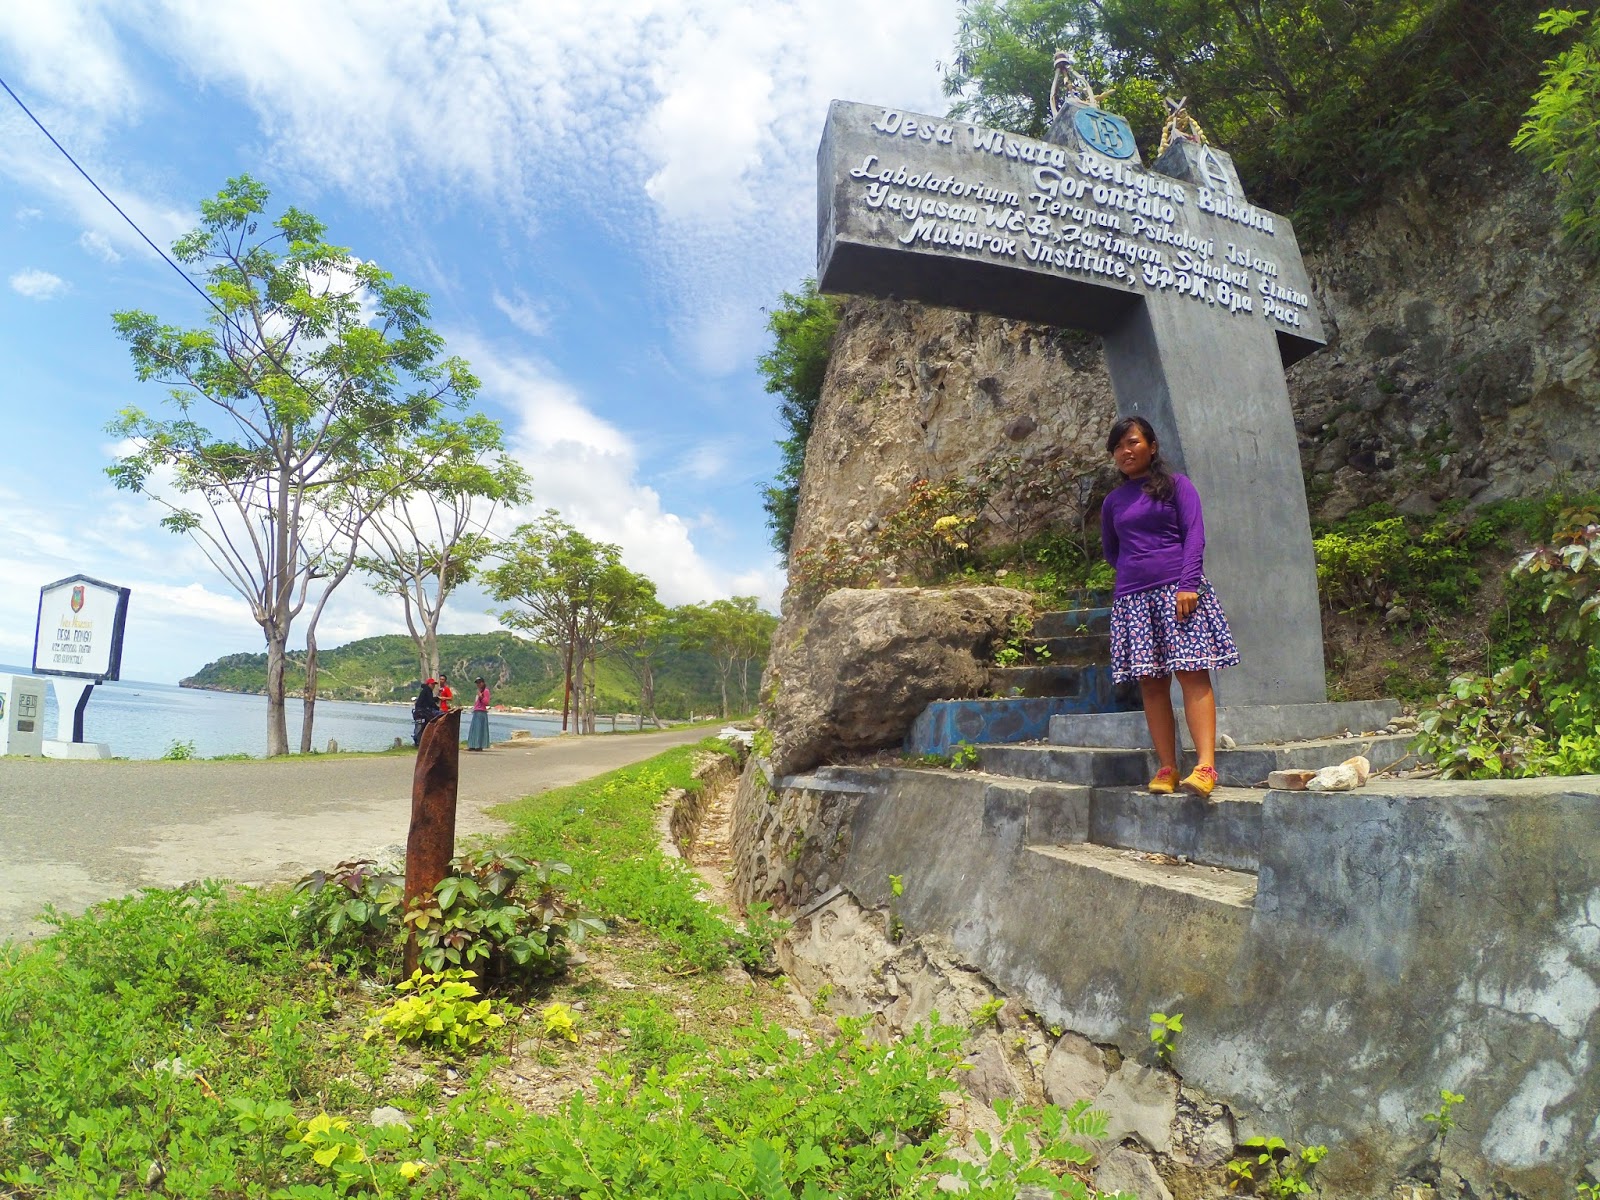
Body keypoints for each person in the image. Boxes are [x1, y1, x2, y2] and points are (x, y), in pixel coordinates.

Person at [1101, 415, 1240, 799]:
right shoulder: (1113, 502)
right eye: (1118, 446)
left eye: (1132, 442)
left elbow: (1194, 534)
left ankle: (1206, 766)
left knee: (1192, 674)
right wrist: (1137, 582)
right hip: (1133, 599)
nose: (1125, 451)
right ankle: (1166, 767)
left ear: (1152, 445)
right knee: (1151, 682)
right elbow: (1112, 552)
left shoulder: (1177, 486)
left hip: (1179, 593)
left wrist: (1187, 583)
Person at [411, 678, 441, 747]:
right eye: (432, 684)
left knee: (420, 727)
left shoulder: (426, 690)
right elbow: (430, 702)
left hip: (420, 711)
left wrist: (436, 699)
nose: (433, 686)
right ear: (429, 684)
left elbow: (428, 700)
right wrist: (437, 708)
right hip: (422, 712)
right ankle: (420, 741)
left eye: (434, 684)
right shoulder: (427, 690)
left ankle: (419, 741)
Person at [466, 677, 492, 751]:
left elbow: (486, 702)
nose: (478, 684)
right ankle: (472, 745)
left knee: (479, 729)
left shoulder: (486, 691)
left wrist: (481, 696)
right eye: (477, 683)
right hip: (476, 711)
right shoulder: (478, 691)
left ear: (483, 683)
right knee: (474, 729)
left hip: (481, 712)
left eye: (480, 683)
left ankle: (479, 745)